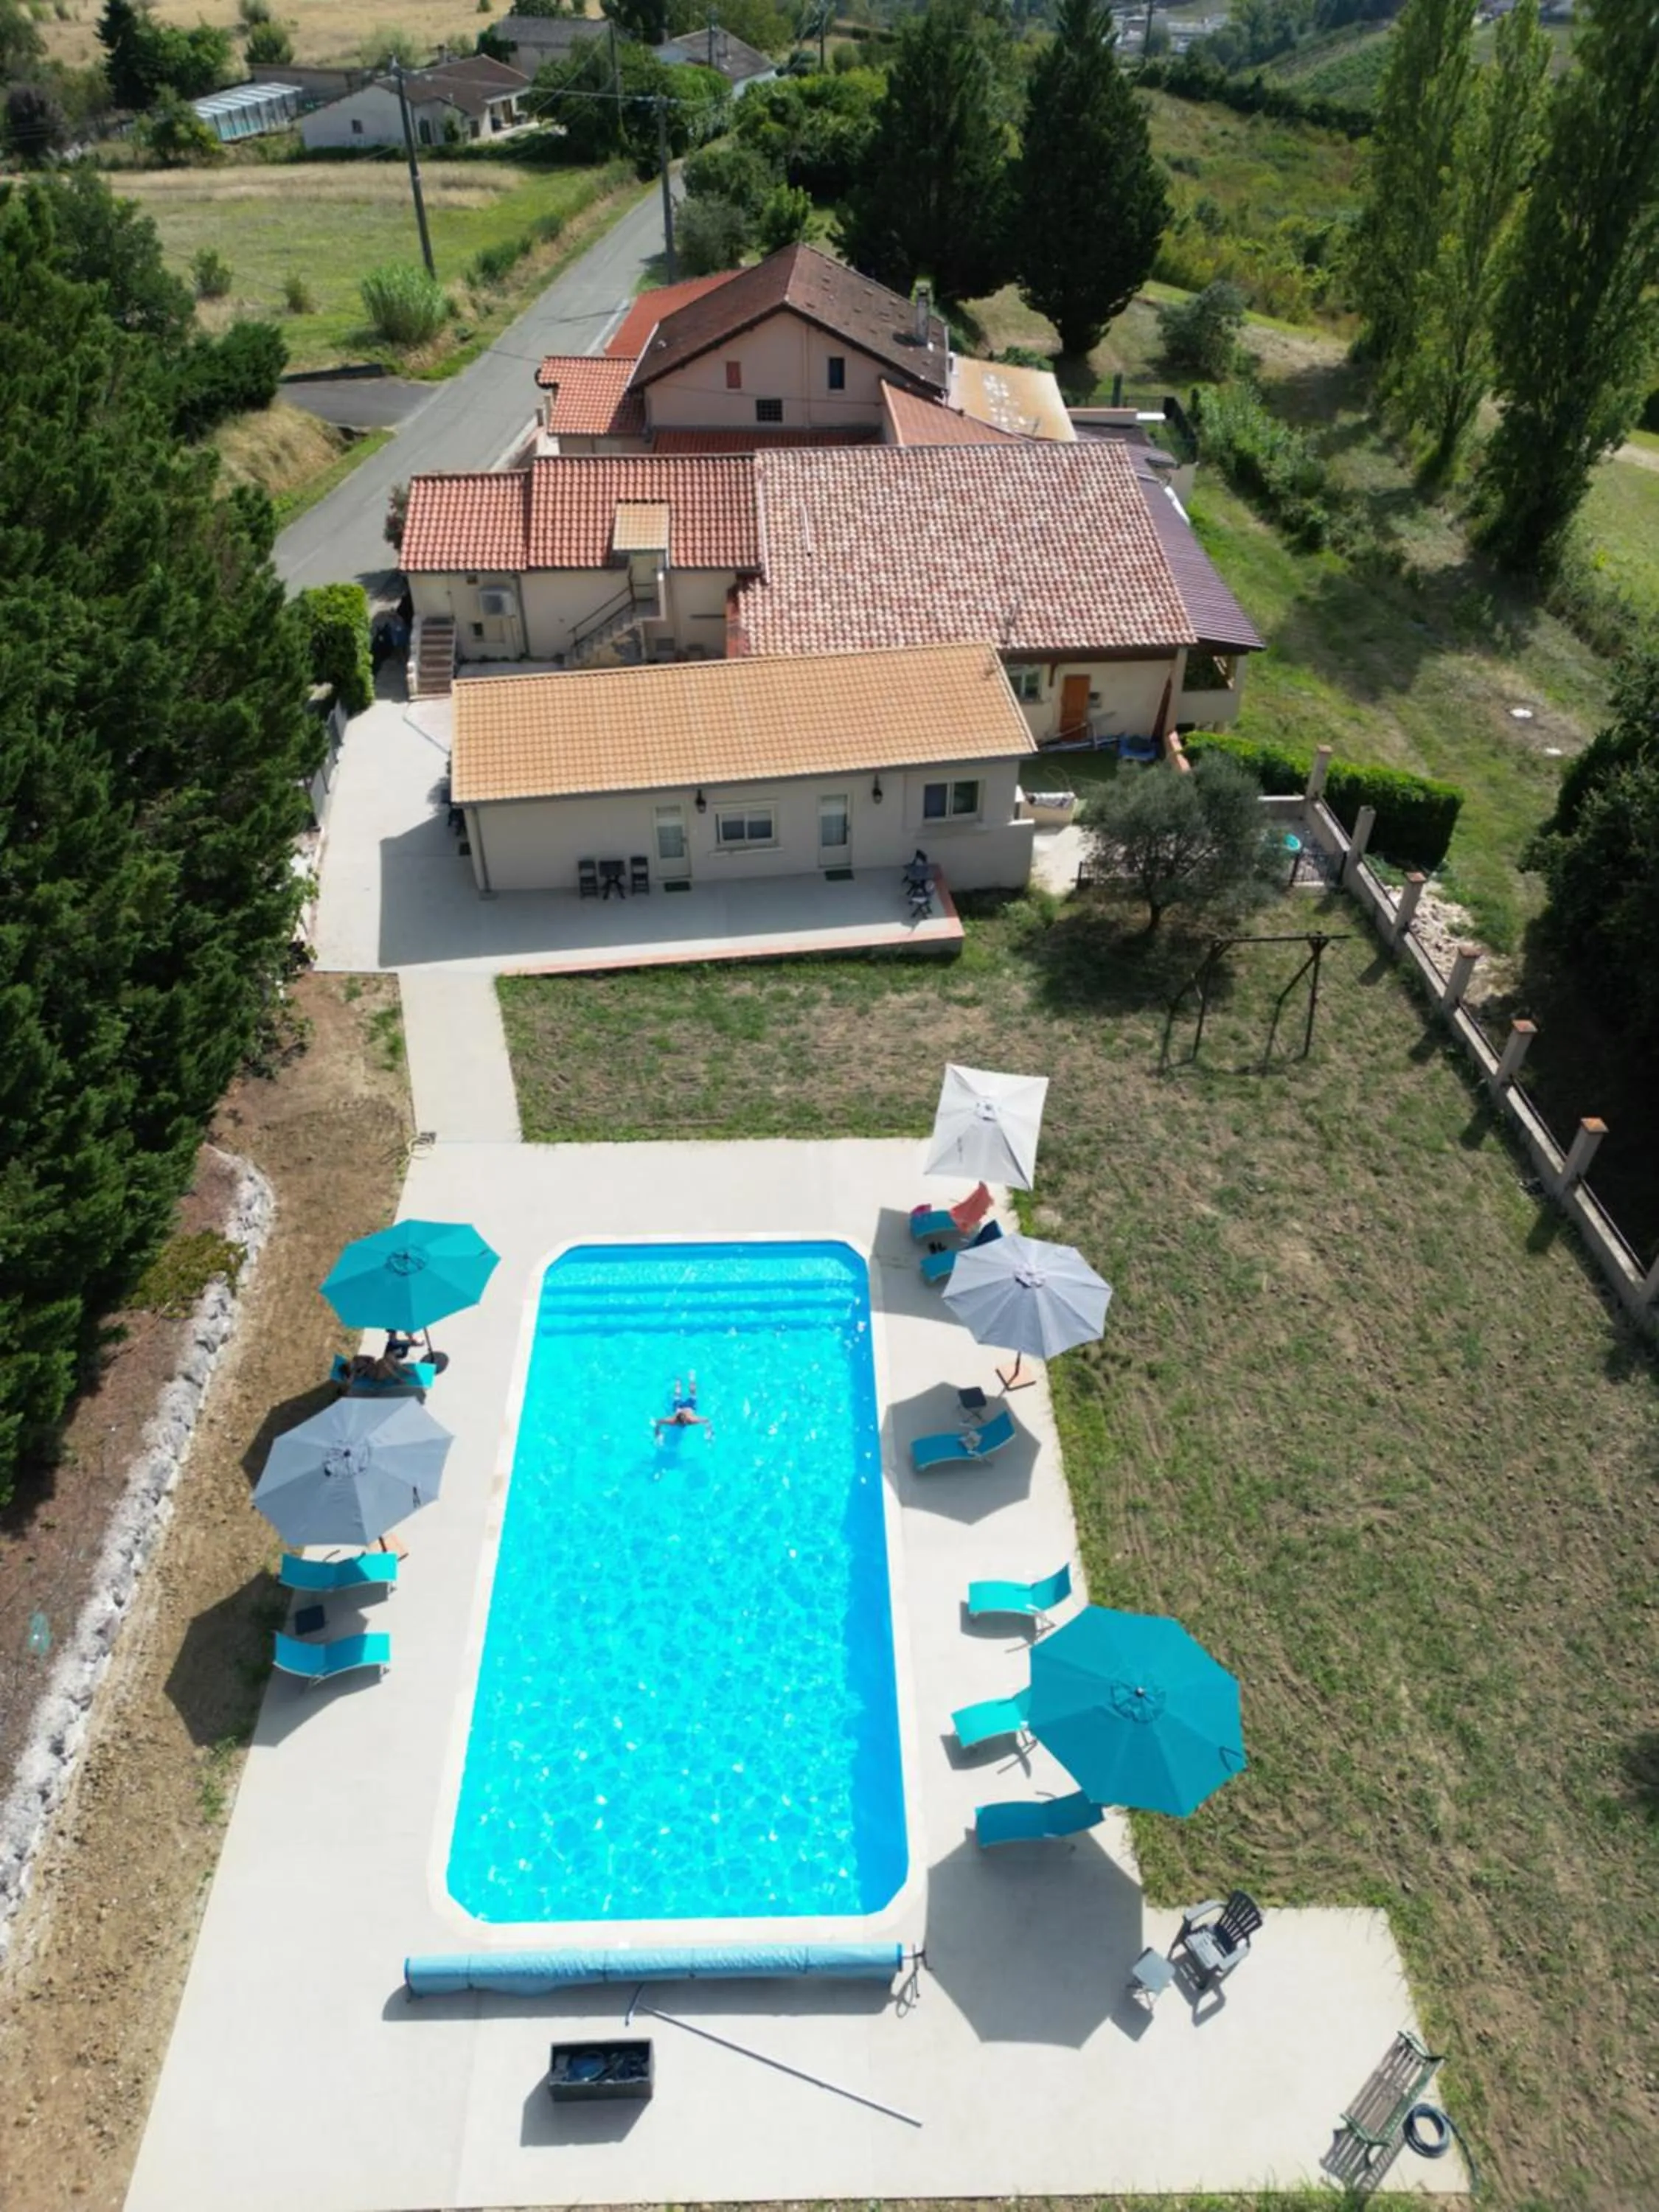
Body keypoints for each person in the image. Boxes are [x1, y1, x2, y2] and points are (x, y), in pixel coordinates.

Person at [653, 1375, 713, 1439]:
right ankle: (687, 1379)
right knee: (687, 1395)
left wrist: (709, 1432)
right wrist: (657, 1433)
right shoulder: (674, 1421)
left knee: (685, 1395)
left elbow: (707, 1420)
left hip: (686, 1407)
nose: (684, 1424)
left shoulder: (690, 1420)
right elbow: (658, 1422)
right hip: (686, 1407)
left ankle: (681, 1380)